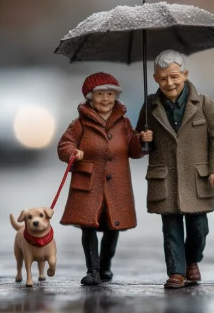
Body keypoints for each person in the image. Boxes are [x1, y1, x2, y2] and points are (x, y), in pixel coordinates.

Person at [137, 49, 214, 289]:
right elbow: (137, 144)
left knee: (199, 228)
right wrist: (142, 139)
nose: (170, 83)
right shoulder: (149, 105)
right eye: (164, 78)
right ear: (155, 78)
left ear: (185, 75)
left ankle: (192, 260)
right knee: (171, 228)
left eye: (174, 77)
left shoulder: (203, 103)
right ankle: (176, 271)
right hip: (165, 178)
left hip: (197, 179)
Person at [58, 72, 150, 286]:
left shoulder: (124, 123)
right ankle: (93, 270)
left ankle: (106, 265)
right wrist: (73, 152)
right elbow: (64, 144)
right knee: (88, 226)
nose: (106, 99)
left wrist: (142, 141)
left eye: (110, 94)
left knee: (113, 226)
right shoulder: (79, 123)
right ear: (90, 97)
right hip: (88, 183)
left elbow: (133, 150)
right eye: (100, 94)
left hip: (116, 184)